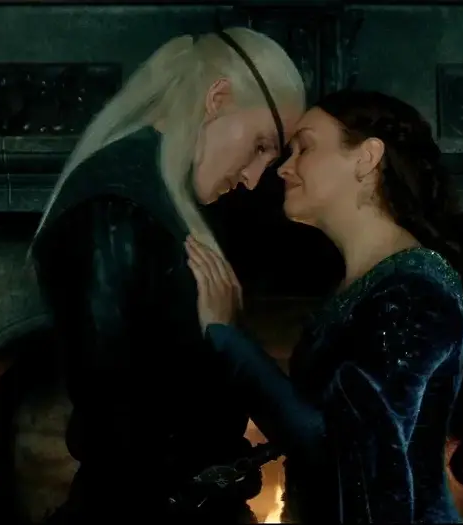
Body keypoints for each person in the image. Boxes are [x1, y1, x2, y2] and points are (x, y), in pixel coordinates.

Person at [185, 90, 463, 523]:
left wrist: (227, 337)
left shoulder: (413, 294)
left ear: (367, 158)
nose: (285, 167)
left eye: (305, 147)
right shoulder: (373, 284)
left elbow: (334, 448)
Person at [30, 27, 305, 522]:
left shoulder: (163, 203)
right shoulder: (114, 210)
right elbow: (119, 424)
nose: (253, 178)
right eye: (261, 145)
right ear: (217, 99)